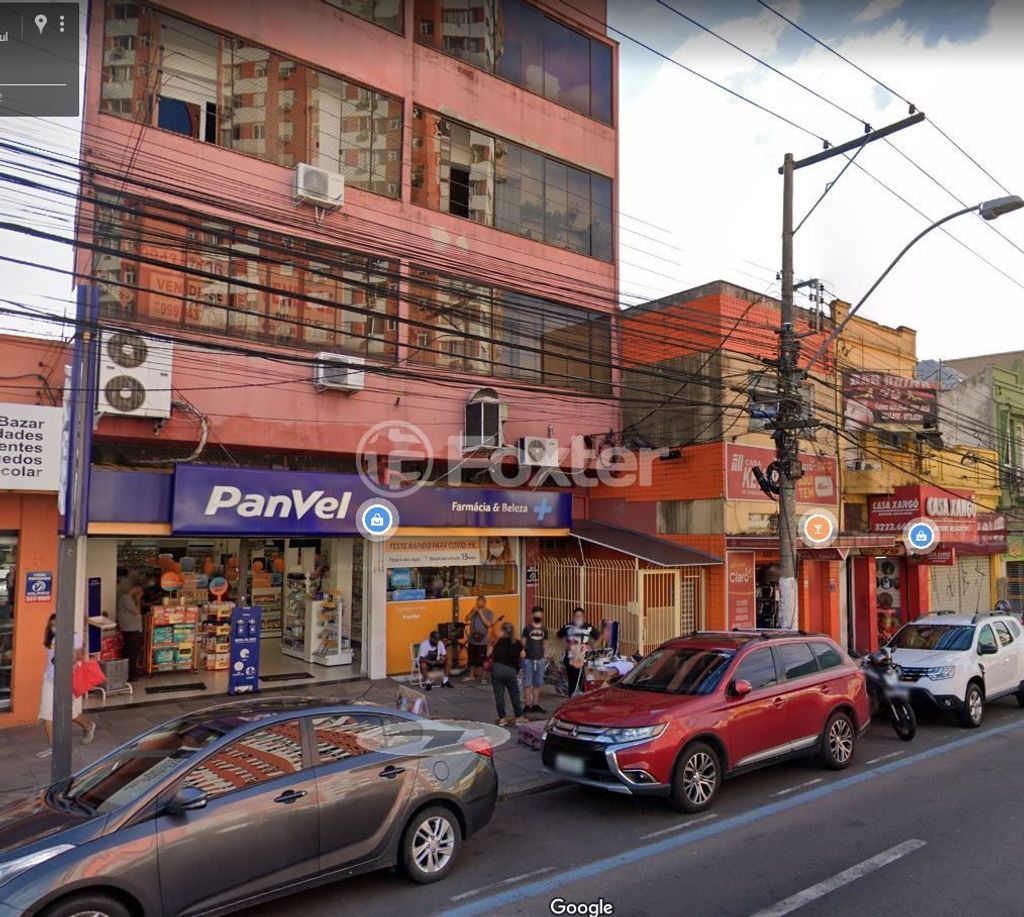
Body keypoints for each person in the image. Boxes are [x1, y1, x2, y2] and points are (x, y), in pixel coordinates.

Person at [37, 615, 95, 758]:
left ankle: (88, 726)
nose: (54, 627)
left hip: (67, 680)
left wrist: (68, 656)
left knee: (68, 713)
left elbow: (78, 655)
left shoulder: (74, 637)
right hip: (50, 680)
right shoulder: (50, 638)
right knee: (47, 714)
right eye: (52, 624)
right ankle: (54, 747)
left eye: (57, 624)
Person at [557, 607, 600, 697]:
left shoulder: (588, 627)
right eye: (576, 616)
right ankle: (571, 699)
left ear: (583, 617)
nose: (578, 617)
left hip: (583, 658)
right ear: (573, 616)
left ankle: (581, 700)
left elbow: (598, 637)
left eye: (580, 616)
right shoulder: (568, 627)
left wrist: (590, 646)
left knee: (582, 681)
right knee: (572, 680)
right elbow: (559, 636)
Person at [490, 622, 525, 726]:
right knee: (514, 693)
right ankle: (518, 716)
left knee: (499, 695)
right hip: (510, 670)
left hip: (496, 669)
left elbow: (490, 653)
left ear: (503, 631)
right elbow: (523, 655)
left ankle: (502, 719)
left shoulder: (498, 642)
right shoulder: (517, 642)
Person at [521, 605, 549, 714]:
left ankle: (535, 704)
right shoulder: (527, 628)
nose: (538, 616)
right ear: (532, 615)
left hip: (540, 659)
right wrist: (523, 651)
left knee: (538, 683)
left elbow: (545, 643)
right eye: (536, 614)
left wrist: (545, 654)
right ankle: (527, 705)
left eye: (539, 614)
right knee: (527, 682)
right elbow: (523, 641)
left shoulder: (544, 629)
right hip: (528, 659)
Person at [463, 594, 495, 685]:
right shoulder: (474, 611)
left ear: (484, 603)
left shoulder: (489, 612)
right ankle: (471, 675)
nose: (478, 605)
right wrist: (473, 612)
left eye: (480, 603)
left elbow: (488, 624)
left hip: (483, 640)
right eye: (477, 603)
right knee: (471, 659)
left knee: (483, 660)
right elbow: (466, 619)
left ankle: (484, 677)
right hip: (472, 639)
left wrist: (480, 613)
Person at [117, 581, 145, 681]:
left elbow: (138, 612)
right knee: (131, 653)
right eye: (140, 590)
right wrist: (138, 599)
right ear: (136, 588)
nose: (141, 593)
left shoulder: (128, 599)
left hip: (133, 630)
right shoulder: (126, 598)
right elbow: (137, 612)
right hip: (130, 630)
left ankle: (131, 672)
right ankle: (129, 675)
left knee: (132, 652)